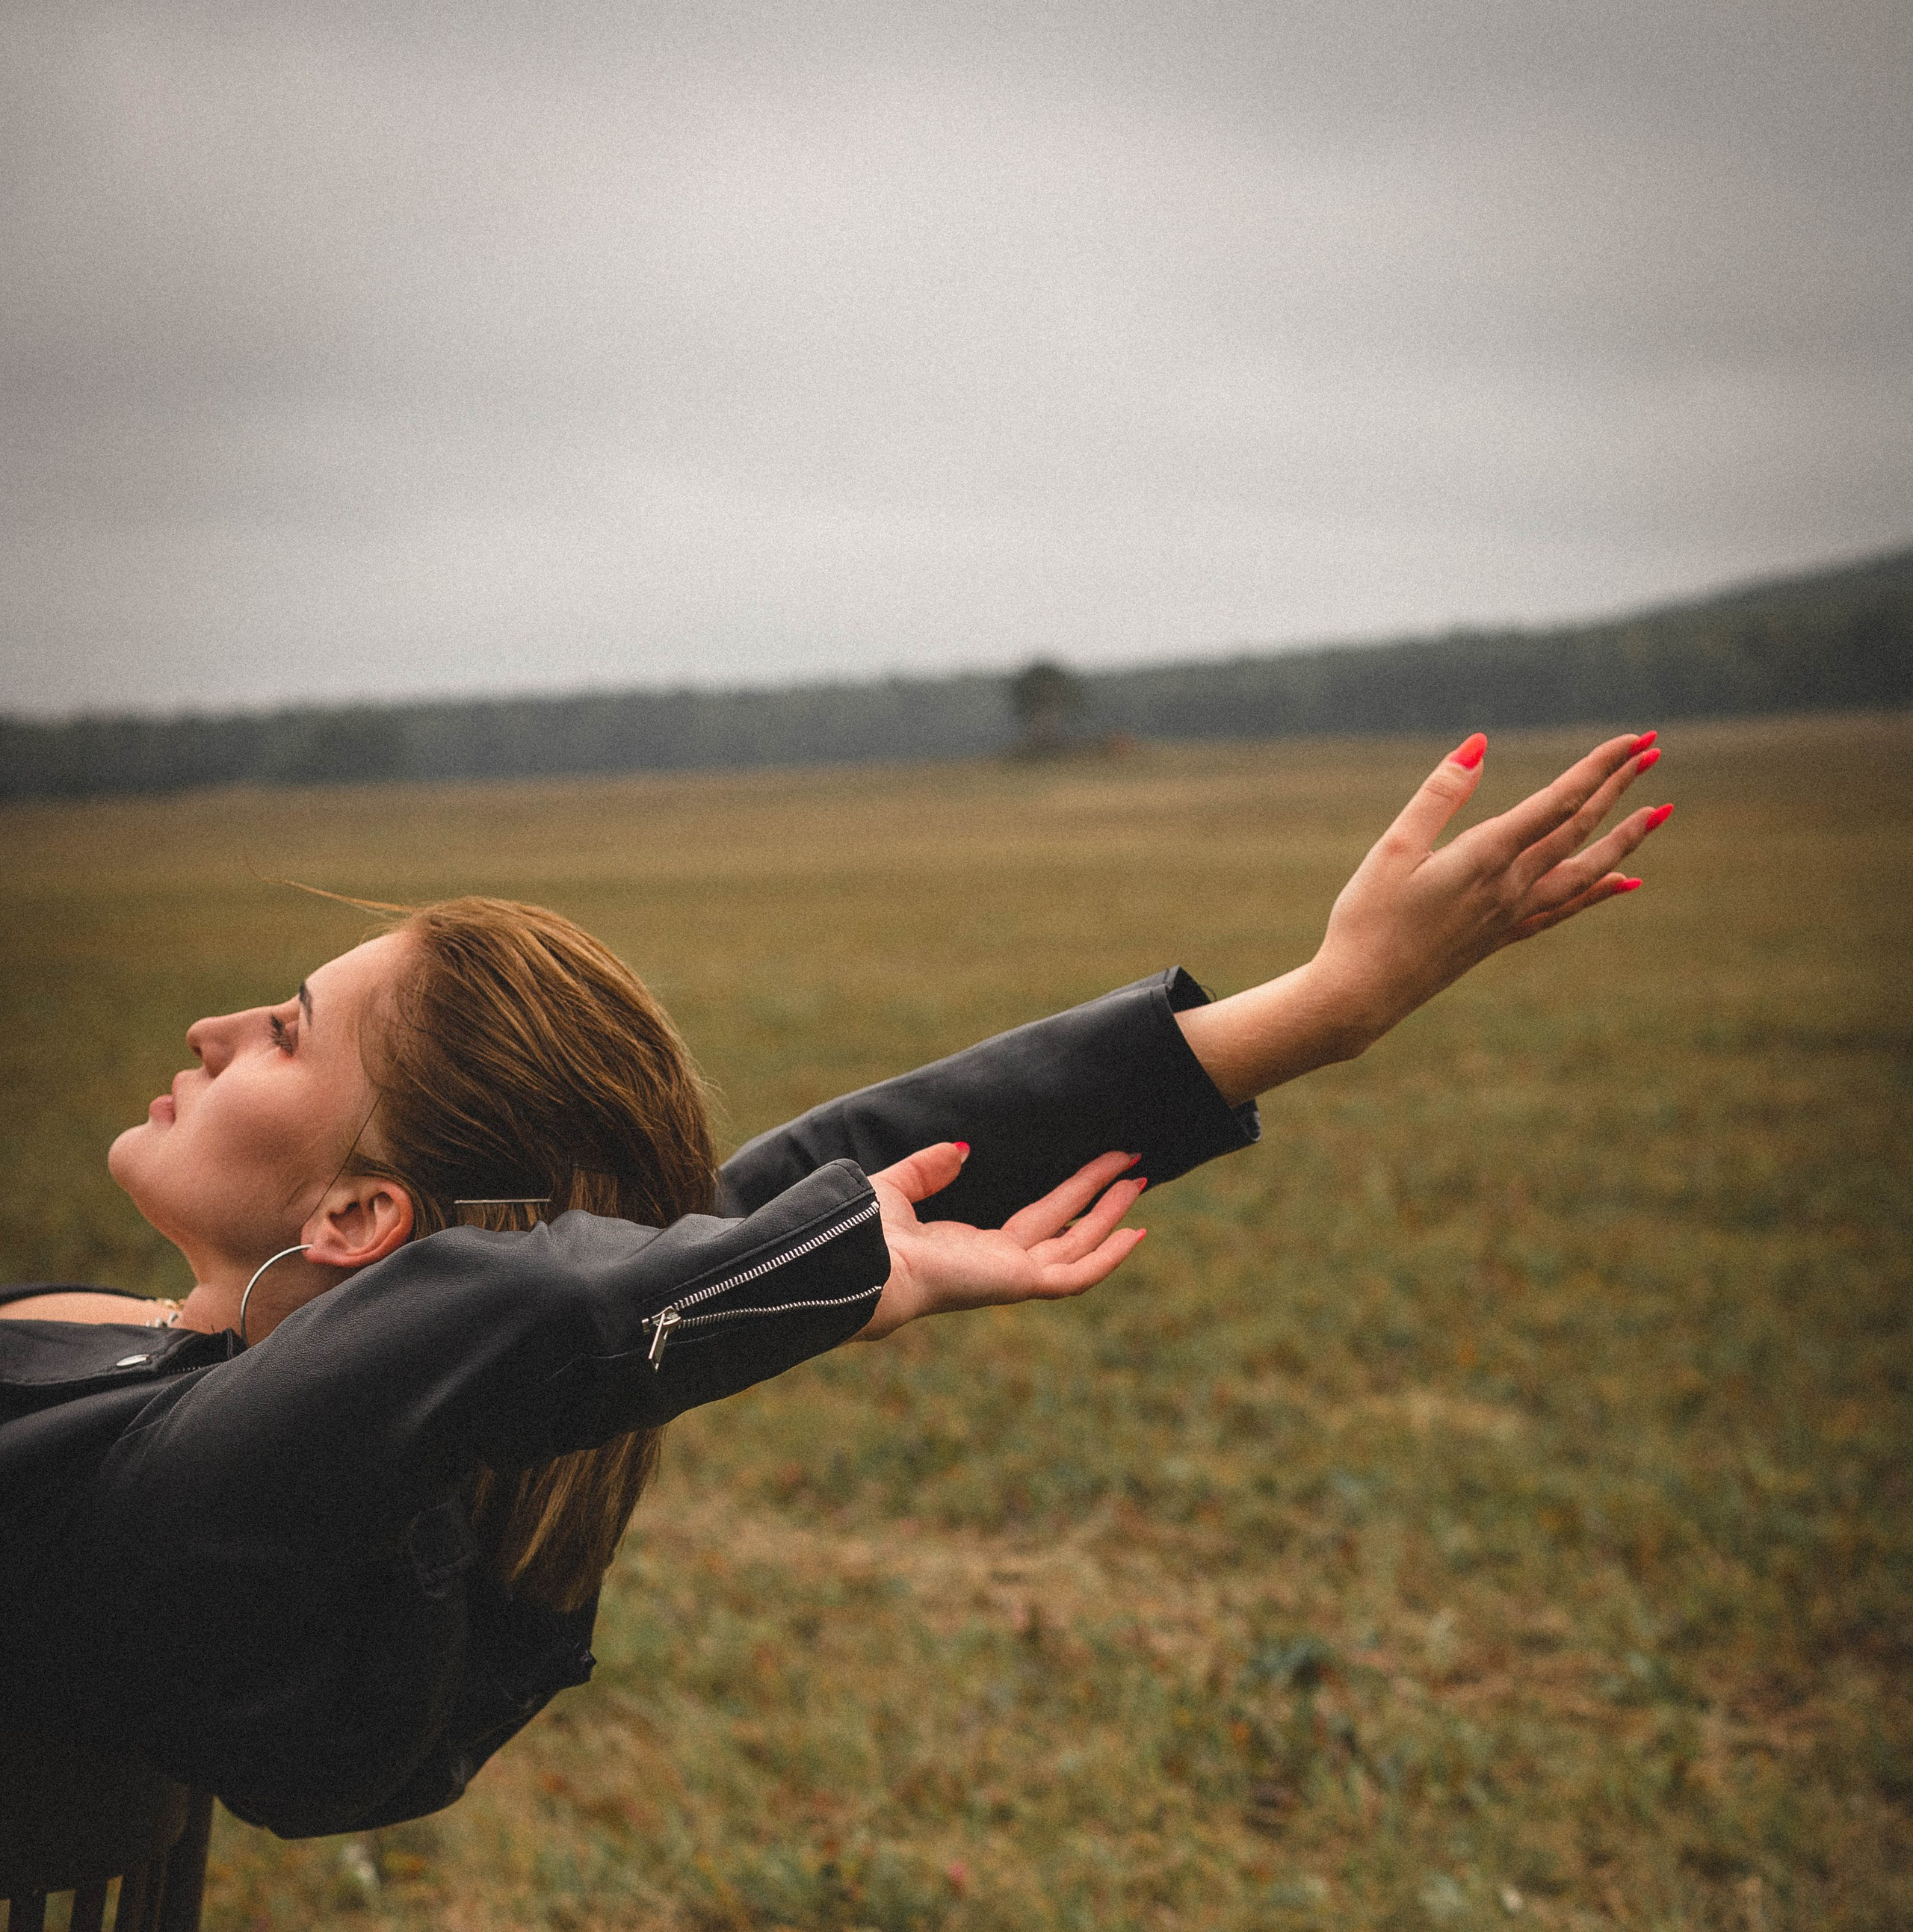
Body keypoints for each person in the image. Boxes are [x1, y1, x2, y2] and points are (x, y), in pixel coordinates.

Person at [0, 729, 1669, 1839]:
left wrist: (829, 1271)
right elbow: (679, 1230)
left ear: (366, 1216)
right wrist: (1320, 1007)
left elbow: (536, 1299)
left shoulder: (206, 1510)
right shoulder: (253, 1440)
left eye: (286, 1031)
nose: (217, 1032)